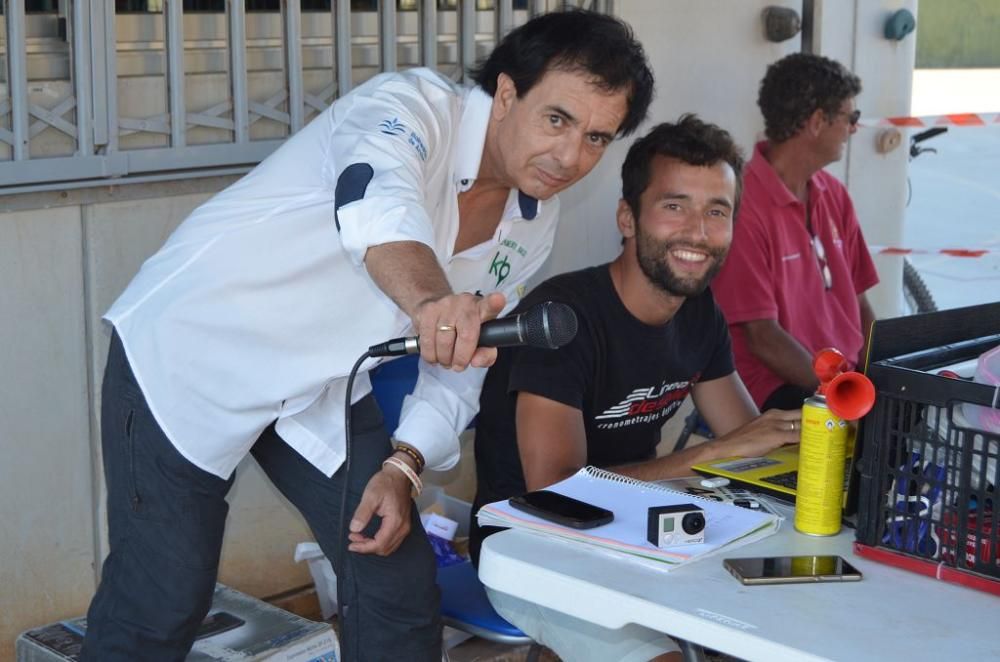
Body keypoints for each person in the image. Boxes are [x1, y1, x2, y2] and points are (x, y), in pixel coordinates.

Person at [80, 10, 654, 661]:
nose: (570, 156)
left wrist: (404, 464)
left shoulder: (532, 221)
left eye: (597, 138)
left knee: (399, 581)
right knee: (164, 598)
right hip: (192, 352)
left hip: (317, 384)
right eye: (558, 119)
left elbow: (465, 360)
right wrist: (433, 301)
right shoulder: (409, 108)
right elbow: (377, 200)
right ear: (506, 92)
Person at [471, 116, 801, 662]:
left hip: (645, 535)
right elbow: (555, 491)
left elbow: (750, 446)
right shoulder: (562, 318)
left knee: (776, 632)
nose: (698, 231)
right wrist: (715, 455)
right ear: (628, 217)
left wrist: (824, 436)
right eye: (675, 206)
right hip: (533, 551)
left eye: (716, 211)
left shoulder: (699, 314)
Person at [711, 53, 879, 412]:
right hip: (778, 387)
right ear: (818, 121)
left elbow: (861, 304)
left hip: (841, 383)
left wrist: (881, 371)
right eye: (851, 118)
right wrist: (843, 393)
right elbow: (762, 337)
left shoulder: (834, 194)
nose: (853, 129)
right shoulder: (742, 203)